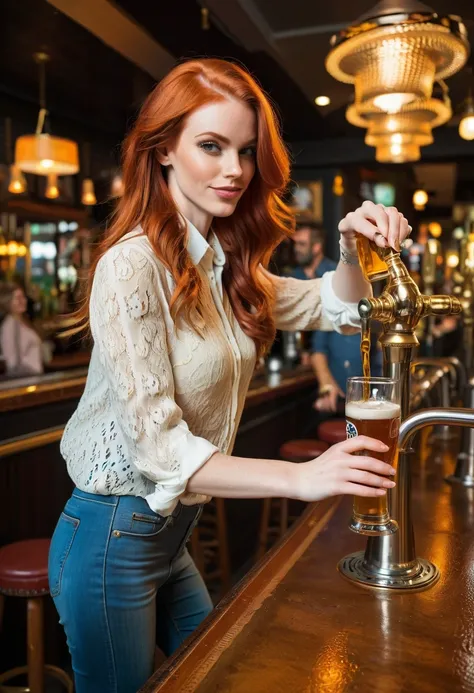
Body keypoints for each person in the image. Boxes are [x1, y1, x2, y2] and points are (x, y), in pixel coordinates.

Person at [48, 58, 410, 693]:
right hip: (112, 535)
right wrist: (300, 479)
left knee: (219, 675)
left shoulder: (221, 263)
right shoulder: (132, 266)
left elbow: (333, 302)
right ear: (163, 150)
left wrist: (353, 243)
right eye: (211, 147)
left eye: (245, 150)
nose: (235, 170)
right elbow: (159, 448)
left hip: (169, 533)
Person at [0, 282, 44, 377]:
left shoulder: (23, 322)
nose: (22, 301)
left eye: (22, 297)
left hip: (34, 378)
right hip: (26, 380)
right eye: (17, 298)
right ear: (7, 301)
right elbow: (13, 363)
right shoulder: (11, 325)